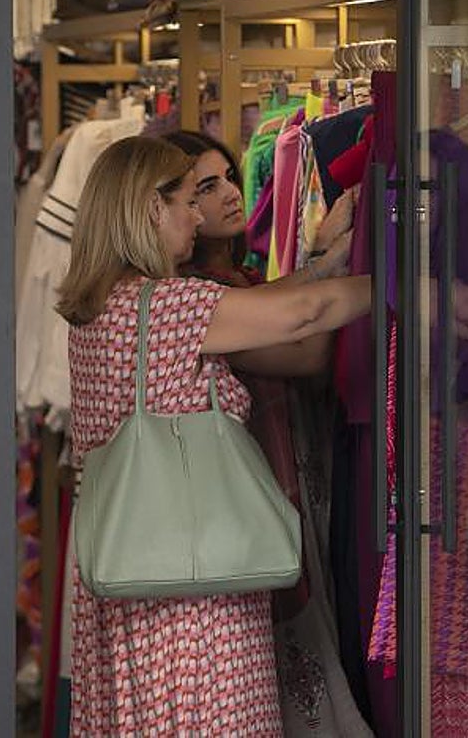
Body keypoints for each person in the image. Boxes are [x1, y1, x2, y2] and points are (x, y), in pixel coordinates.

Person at [56, 136, 371, 734]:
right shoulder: (168, 305)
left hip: (134, 581)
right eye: (186, 202)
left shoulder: (103, 308)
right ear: (153, 208)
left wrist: (323, 263)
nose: (198, 218)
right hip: (196, 594)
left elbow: (249, 305)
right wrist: (397, 281)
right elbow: (303, 315)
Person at [162, 130, 373, 736]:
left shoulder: (241, 280)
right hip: (252, 491)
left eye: (229, 177)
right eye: (204, 189)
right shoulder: (195, 300)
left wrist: (327, 260)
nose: (231, 194)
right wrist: (371, 269)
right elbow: (305, 352)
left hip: (282, 477)